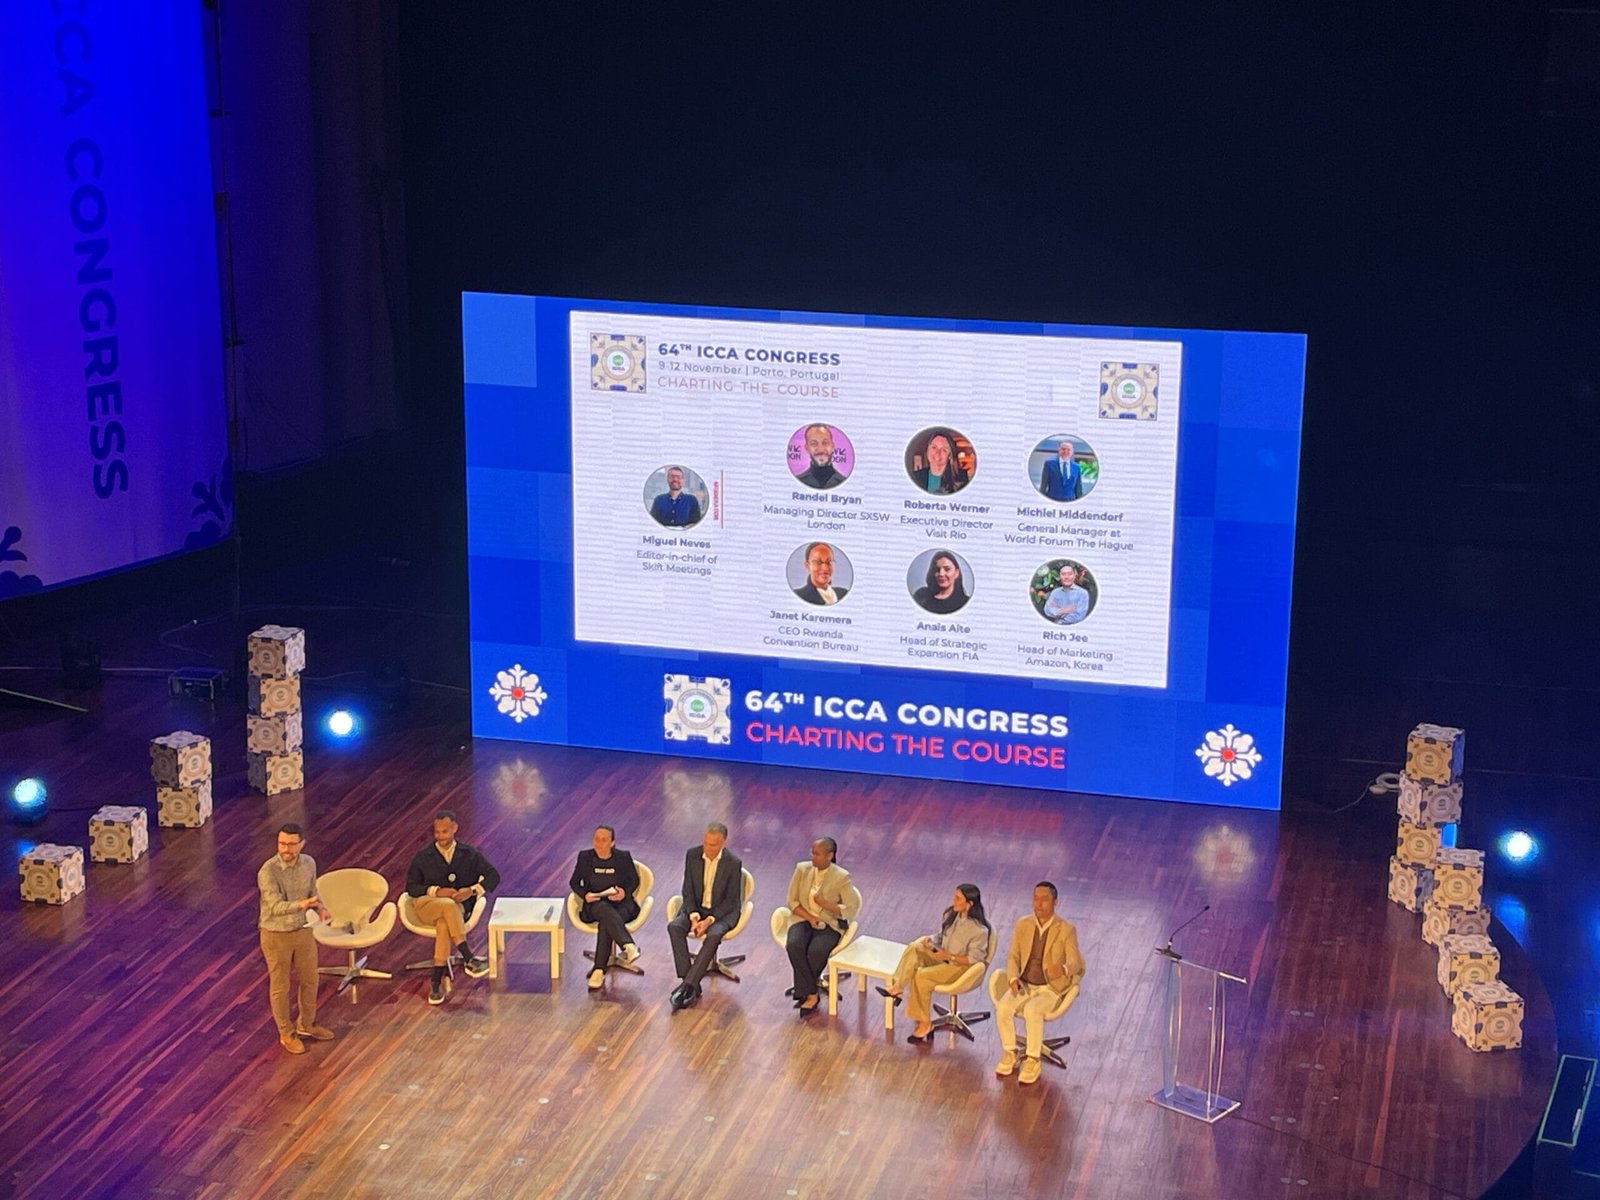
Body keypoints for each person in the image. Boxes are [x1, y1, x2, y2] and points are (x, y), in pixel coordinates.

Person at [405, 809, 500, 1006]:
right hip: (426, 906)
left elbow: (493, 876)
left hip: (456, 910)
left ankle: (435, 982)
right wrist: (436, 891)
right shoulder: (423, 856)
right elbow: (411, 887)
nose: (440, 836)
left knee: (444, 924)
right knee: (447, 905)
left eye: (445, 832)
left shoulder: (469, 855)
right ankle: (468, 957)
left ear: (455, 828)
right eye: (437, 832)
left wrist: (472, 890)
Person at [996, 881, 1086, 1085]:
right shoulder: (1023, 924)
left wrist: (1063, 969)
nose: (1038, 904)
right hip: (1025, 983)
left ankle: (1033, 1060)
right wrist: (1013, 978)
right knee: (1003, 1007)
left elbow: (1076, 963)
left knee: (1032, 1010)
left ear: (1055, 902)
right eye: (1035, 899)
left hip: (1049, 988)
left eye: (1044, 900)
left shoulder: (1066, 930)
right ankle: (1010, 1052)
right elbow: (1013, 956)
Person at [877, 883, 992, 1042]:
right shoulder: (952, 916)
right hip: (944, 957)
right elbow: (941, 936)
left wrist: (949, 956)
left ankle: (925, 1024)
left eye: (958, 898)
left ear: (969, 904)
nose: (953, 901)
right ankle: (898, 987)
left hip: (961, 968)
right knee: (915, 947)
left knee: (921, 976)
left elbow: (974, 959)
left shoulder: (979, 931)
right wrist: (931, 940)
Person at [257, 823, 334, 1054]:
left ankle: (307, 1024)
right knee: (280, 986)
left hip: (303, 930)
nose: (285, 849)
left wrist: (320, 908)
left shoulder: (309, 863)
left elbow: (313, 892)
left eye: (291, 844)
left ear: (301, 844)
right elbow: (275, 907)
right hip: (276, 934)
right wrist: (303, 904)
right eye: (281, 843)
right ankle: (286, 1033)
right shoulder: (268, 871)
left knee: (310, 979)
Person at [667, 822, 745, 1010]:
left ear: (723, 843)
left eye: (713, 845)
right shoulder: (692, 855)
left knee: (714, 935)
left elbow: (731, 901)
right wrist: (694, 917)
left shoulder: (733, 863)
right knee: (675, 927)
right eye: (706, 843)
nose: (708, 848)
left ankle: (687, 987)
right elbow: (687, 890)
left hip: (721, 913)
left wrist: (708, 921)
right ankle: (689, 983)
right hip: (696, 908)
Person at [783, 837, 860, 1017]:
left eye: (817, 854)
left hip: (829, 923)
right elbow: (792, 901)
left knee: (816, 951)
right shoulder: (802, 869)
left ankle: (806, 991)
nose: (813, 857)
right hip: (803, 918)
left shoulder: (841, 877)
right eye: (812, 853)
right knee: (794, 945)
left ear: (829, 856)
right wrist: (810, 918)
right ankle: (811, 992)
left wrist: (824, 904)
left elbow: (850, 908)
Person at [569, 824, 643, 990]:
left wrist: (624, 892)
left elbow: (634, 880)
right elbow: (574, 882)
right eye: (596, 839)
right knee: (603, 909)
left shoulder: (623, 857)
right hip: (595, 905)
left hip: (620, 906)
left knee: (606, 922)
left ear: (612, 842)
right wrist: (585, 894)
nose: (599, 843)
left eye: (604, 840)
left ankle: (599, 970)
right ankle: (628, 945)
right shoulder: (585, 857)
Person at [913, 550, 970, 614]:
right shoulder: (921, 596)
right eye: (937, 569)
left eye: (947, 569)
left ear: (957, 573)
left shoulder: (965, 602)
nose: (941, 574)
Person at [796, 424, 845, 490]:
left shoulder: (844, 482)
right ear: (807, 448)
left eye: (825, 443)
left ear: (832, 446)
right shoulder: (797, 482)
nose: (820, 449)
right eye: (814, 443)